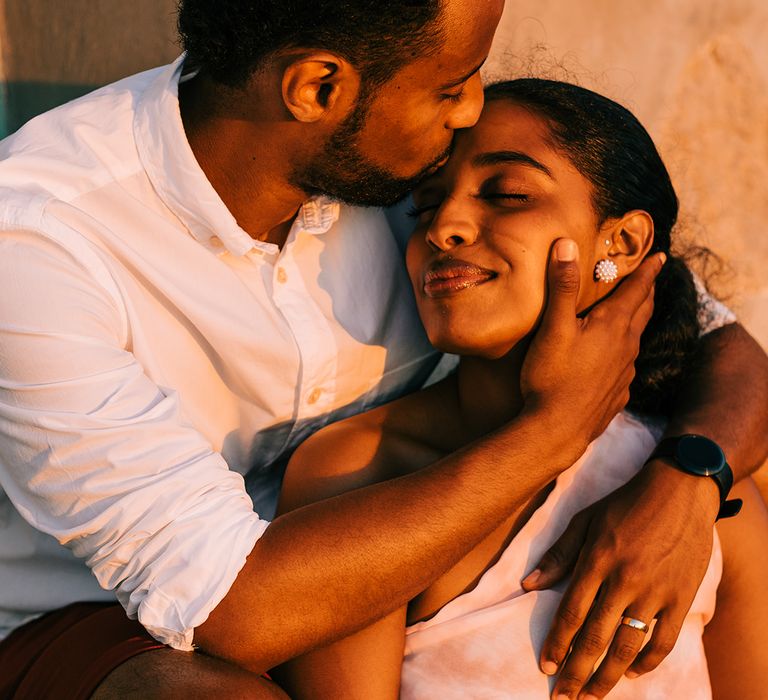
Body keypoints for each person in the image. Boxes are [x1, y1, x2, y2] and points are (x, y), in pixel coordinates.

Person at [0, 2, 765, 697]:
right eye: (451, 83)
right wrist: (553, 433)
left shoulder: (408, 168)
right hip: (103, 615)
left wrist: (689, 483)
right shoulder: (38, 244)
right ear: (317, 89)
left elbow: (720, 342)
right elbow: (230, 610)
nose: (473, 106)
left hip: (365, 549)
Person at [273, 78, 768, 699]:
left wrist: (690, 490)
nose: (444, 226)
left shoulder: (695, 497)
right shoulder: (361, 470)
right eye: (426, 205)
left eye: (507, 194)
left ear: (620, 245)